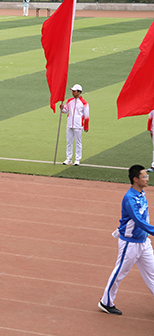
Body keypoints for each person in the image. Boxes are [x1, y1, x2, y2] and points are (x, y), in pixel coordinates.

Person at [98, 165, 154, 316]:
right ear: (135, 179)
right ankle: (106, 302)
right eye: (144, 176)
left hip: (144, 242)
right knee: (119, 273)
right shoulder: (130, 198)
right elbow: (138, 220)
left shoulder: (141, 194)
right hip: (130, 244)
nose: (147, 179)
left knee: (152, 273)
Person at [60, 84, 89, 166]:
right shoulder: (69, 101)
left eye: (74, 91)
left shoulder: (84, 103)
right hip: (69, 124)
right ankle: (68, 158)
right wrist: (62, 108)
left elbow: (86, 115)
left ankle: (77, 159)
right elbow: (65, 111)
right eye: (72, 91)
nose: (72, 92)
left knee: (78, 142)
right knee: (69, 142)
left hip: (78, 124)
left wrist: (86, 126)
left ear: (79, 92)